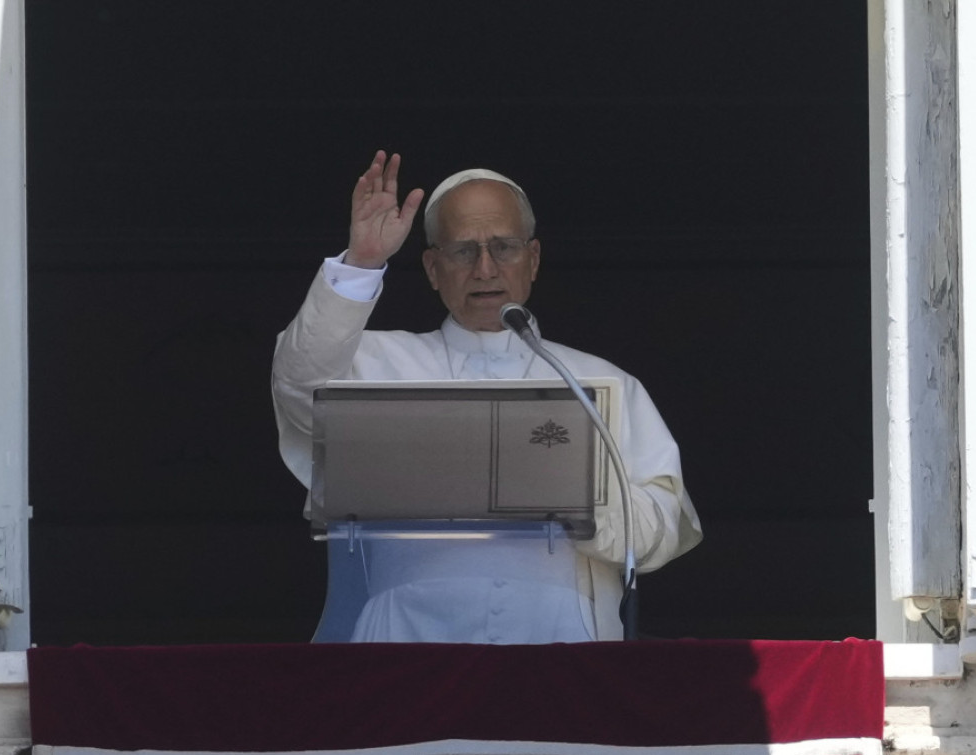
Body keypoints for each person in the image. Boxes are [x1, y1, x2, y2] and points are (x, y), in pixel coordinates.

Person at [272, 150, 702, 643]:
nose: (484, 268)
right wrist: (363, 263)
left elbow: (660, 532)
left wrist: (576, 503)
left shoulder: (598, 380)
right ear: (432, 268)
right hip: (406, 640)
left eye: (504, 247)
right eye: (462, 251)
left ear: (533, 259)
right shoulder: (374, 363)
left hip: (561, 640)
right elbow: (298, 388)